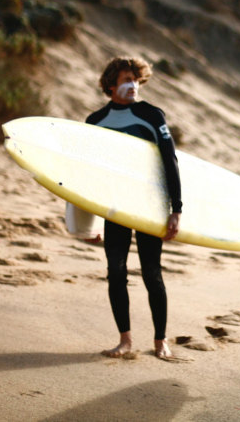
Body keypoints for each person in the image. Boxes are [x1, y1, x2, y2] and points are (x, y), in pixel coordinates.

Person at [86, 56, 182, 361]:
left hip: (148, 205)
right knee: (115, 272)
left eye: (136, 80)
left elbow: (170, 161)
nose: (133, 86)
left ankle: (160, 340)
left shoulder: (151, 115)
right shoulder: (95, 121)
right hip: (114, 206)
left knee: (152, 273)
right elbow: (86, 174)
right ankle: (124, 340)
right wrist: (88, 223)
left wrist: (175, 208)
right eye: (126, 80)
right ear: (111, 84)